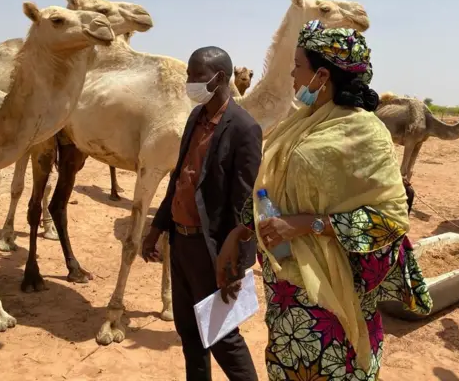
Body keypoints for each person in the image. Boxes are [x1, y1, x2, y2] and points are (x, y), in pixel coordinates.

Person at [216, 21, 433, 380]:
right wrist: (238, 233)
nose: (291, 74)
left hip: (334, 291)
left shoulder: (366, 132)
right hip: (287, 287)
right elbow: (271, 185)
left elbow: (391, 219)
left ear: (321, 74)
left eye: (297, 65)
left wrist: (304, 224)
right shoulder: (299, 122)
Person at [142, 46, 261, 381]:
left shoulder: (244, 128)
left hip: (214, 253)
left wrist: (234, 263)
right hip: (180, 246)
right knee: (190, 338)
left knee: (225, 340)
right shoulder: (195, 118)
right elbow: (179, 179)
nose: (188, 82)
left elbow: (244, 203)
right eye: (188, 75)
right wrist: (156, 230)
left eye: (195, 76)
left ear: (219, 78)